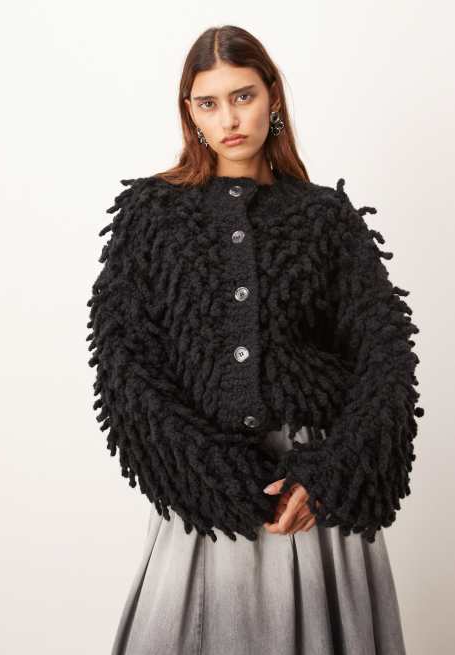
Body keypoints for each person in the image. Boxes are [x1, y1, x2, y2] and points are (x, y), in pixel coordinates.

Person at [86, 24, 424, 655]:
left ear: (272, 97)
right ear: (190, 113)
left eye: (242, 96)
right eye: (208, 103)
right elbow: (123, 362)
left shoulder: (326, 217)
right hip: (203, 493)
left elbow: (386, 357)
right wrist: (211, 475)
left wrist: (331, 475)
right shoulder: (152, 215)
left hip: (312, 495)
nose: (229, 119)